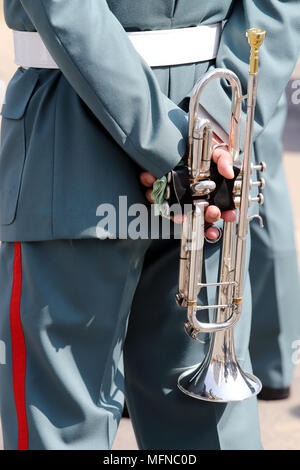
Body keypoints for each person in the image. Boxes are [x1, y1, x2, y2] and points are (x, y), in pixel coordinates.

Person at [0, 0, 299, 450]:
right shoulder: (210, 135)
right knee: (204, 428)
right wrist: (213, 131)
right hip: (212, 132)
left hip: (76, 132)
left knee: (66, 423)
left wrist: (176, 149)